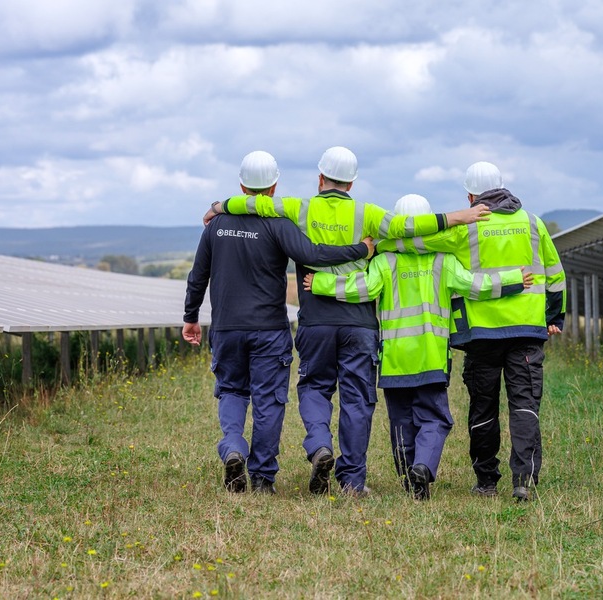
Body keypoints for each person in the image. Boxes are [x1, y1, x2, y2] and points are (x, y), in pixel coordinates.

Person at [203, 147, 491, 497]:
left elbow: (257, 205)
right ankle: (352, 481)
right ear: (352, 182)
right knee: (356, 401)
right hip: (359, 323)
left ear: (320, 177)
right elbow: (407, 227)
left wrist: (220, 206)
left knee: (313, 388)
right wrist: (459, 216)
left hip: (316, 320)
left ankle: (320, 444)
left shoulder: (299, 208)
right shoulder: (367, 213)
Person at [303, 194, 533, 500]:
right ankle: (423, 467)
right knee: (435, 418)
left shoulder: (384, 260)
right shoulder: (444, 260)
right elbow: (475, 285)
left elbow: (364, 288)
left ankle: (408, 477)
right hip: (432, 357)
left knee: (400, 421)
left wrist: (320, 283)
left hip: (396, 360)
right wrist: (514, 279)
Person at [183, 150, 374, 495]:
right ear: (273, 188)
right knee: (269, 401)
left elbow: (198, 276)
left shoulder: (216, 227)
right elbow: (314, 255)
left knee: (231, 390)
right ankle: (262, 479)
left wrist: (190, 317)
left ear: (242, 184)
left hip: (226, 328)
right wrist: (360, 249)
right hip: (270, 330)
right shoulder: (280, 224)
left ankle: (233, 447)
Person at [376, 162, 566, 501]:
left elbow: (415, 242)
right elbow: (555, 275)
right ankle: (523, 480)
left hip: (482, 336)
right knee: (524, 406)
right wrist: (555, 317)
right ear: (504, 188)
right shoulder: (534, 224)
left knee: (484, 408)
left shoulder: (466, 229)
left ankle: (486, 482)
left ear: (470, 195)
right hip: (527, 331)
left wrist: (377, 245)